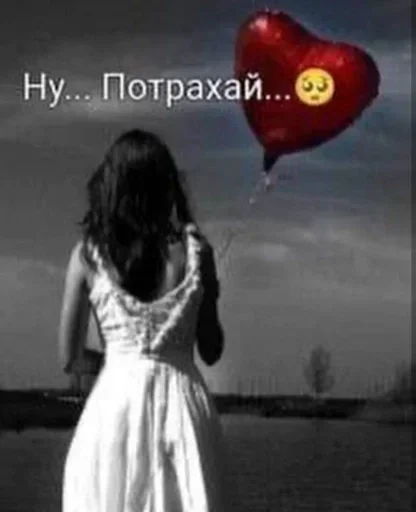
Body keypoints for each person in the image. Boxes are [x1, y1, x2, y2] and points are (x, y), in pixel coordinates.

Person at [58, 129, 227, 512]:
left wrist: (118, 362)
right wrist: (211, 290)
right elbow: (212, 350)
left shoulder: (87, 255)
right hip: (184, 411)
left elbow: (69, 359)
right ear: (167, 185)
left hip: (114, 407)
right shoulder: (198, 253)